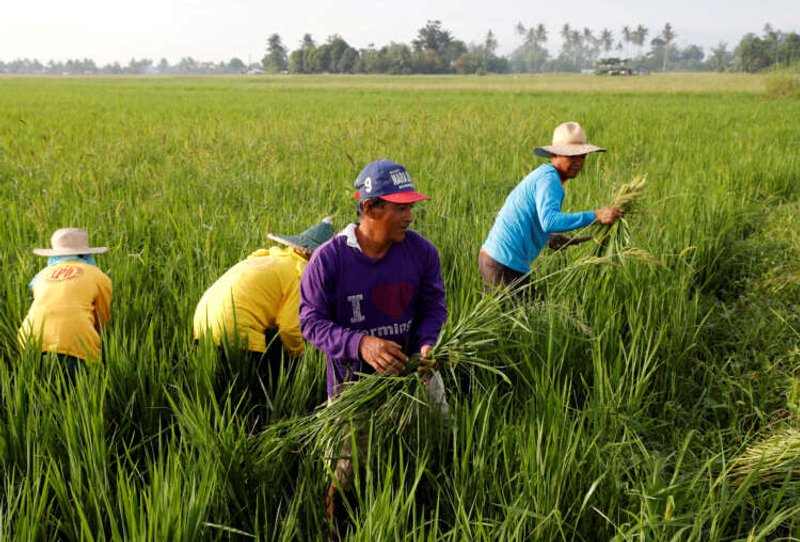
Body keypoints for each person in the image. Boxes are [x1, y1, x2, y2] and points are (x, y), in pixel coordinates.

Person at [299, 159, 448, 532]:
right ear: (370, 208)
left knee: (433, 449)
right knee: (347, 472)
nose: (410, 216)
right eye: (401, 208)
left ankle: (425, 517)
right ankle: (338, 529)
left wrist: (428, 345)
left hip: (415, 377)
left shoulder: (422, 253)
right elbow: (310, 322)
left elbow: (434, 306)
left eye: (412, 206)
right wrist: (360, 343)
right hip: (353, 389)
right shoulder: (329, 260)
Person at [193, 217, 334, 399]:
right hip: (234, 327)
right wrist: (300, 361)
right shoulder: (299, 273)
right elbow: (290, 328)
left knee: (216, 391)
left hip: (201, 322)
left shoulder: (272, 259)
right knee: (255, 395)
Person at [480, 121, 622, 291]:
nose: (578, 162)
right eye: (572, 156)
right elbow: (549, 220)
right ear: (555, 155)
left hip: (497, 260)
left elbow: (536, 217)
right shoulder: (550, 180)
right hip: (503, 263)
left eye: (582, 156)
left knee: (528, 312)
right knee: (528, 315)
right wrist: (596, 215)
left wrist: (550, 236)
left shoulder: (545, 175)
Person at [18, 227, 113, 381]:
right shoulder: (98, 276)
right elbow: (102, 318)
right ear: (86, 253)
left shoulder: (40, 275)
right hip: (75, 339)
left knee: (39, 387)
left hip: (29, 339)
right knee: (80, 390)